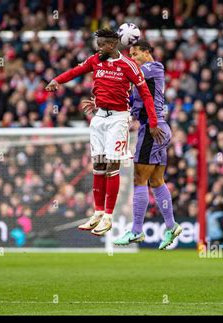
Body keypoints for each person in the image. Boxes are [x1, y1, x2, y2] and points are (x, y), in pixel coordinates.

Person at [45, 29, 164, 236]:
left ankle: (109, 216)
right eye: (97, 44)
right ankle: (98, 212)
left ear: (112, 45)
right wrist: (57, 80)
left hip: (118, 118)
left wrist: (153, 122)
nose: (98, 48)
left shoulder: (128, 66)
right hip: (99, 117)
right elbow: (75, 71)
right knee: (98, 165)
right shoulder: (95, 60)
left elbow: (145, 94)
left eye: (101, 45)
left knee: (112, 164)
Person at [88, 40, 181, 250]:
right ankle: (171, 226)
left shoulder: (153, 67)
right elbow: (127, 98)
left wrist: (113, 66)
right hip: (158, 129)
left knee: (139, 179)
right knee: (156, 181)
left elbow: (128, 74)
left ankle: (136, 231)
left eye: (136, 54)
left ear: (147, 53)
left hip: (152, 129)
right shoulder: (142, 77)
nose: (133, 58)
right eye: (131, 54)